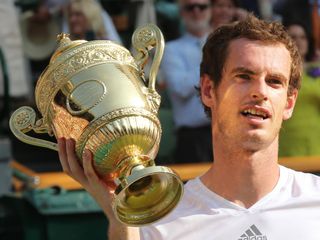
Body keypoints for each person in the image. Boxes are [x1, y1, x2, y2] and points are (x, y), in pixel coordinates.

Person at [57, 14, 320, 239]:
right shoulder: (161, 223)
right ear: (208, 90)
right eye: (243, 76)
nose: (260, 91)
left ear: (289, 103)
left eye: (274, 81)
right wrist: (121, 222)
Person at [159, 0, 213, 164]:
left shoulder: (224, 45)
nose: (196, 11)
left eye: (202, 7)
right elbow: (181, 88)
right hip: (191, 139)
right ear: (182, 12)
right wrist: (213, 60)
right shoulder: (171, 49)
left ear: (210, 10)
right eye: (190, 7)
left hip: (225, 132)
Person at [279, 22, 320, 156]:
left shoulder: (318, 69)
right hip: (285, 144)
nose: (299, 41)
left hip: (315, 144)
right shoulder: (274, 71)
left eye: (303, 37)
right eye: (293, 37)